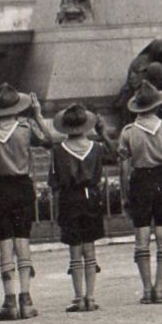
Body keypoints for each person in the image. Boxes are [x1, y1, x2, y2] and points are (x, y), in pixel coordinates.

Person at [0, 84, 54, 321]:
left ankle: (9, 301)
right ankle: (26, 298)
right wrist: (38, 115)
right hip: (21, 186)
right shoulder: (25, 129)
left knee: (4, 245)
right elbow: (49, 141)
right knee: (22, 241)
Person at [118, 83, 162, 304]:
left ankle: (146, 289)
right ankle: (160, 288)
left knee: (141, 237)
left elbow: (124, 167)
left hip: (140, 180)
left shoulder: (129, 132)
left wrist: (125, 194)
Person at [50, 104, 107, 312]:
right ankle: (91, 297)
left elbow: (54, 182)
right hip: (91, 196)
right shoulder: (96, 148)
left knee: (74, 250)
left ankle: (78, 297)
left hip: (69, 198)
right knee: (90, 249)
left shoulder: (58, 150)